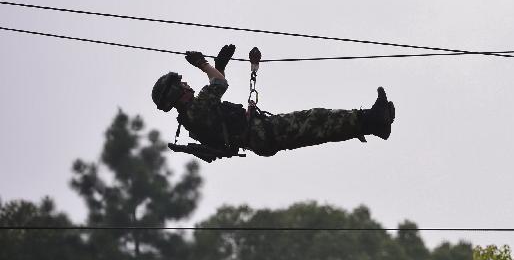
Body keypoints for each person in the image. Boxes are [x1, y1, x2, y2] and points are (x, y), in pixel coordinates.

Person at [151, 45, 395, 158]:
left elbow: (218, 87)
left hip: (260, 134)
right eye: (181, 85)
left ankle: (375, 124)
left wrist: (219, 66)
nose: (187, 84)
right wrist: (203, 64)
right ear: (177, 95)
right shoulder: (195, 111)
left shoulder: (192, 115)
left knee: (318, 127)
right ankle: (372, 121)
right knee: (317, 120)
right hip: (261, 134)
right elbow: (219, 85)